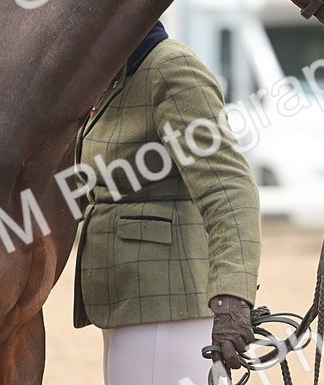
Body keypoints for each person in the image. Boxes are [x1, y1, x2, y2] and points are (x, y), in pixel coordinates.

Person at [73, 20, 262, 384]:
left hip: (167, 301)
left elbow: (229, 187)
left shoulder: (170, 68)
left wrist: (231, 296)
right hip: (124, 298)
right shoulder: (116, 74)